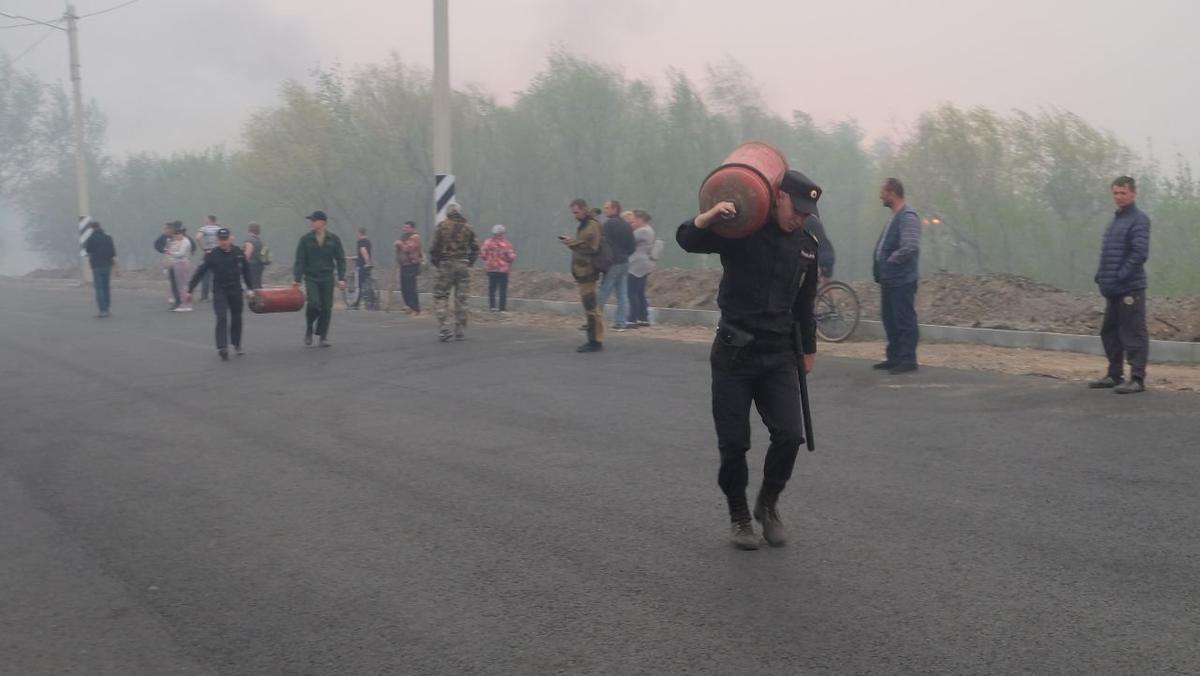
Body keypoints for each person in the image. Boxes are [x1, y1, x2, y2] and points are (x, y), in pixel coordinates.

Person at [677, 169, 822, 550]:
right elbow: (688, 241)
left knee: (790, 436)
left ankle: (768, 503)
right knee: (734, 444)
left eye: (808, 213)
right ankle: (739, 513)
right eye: (797, 208)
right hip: (734, 354)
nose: (801, 217)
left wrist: (809, 349)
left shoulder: (807, 246)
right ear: (777, 197)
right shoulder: (742, 229)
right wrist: (706, 218)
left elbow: (806, 305)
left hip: (779, 356)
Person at [1089, 176, 1152, 395]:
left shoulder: (1139, 219)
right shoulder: (1115, 220)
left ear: (1133, 193)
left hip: (1130, 288)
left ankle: (1136, 378)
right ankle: (1114, 375)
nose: (1118, 197)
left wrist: (1120, 275)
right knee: (1110, 332)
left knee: (1133, 332)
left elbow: (1139, 253)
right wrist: (1101, 275)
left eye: (1122, 193)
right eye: (1115, 193)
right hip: (1112, 288)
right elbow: (1110, 253)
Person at [873, 177, 921, 374]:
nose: (880, 195)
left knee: (904, 320)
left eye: (883, 191)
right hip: (890, 280)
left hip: (902, 280)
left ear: (892, 193)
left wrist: (890, 261)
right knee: (889, 319)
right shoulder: (894, 216)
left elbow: (910, 247)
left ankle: (908, 359)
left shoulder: (908, 216)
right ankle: (894, 357)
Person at [187, 228, 252, 360]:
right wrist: (190, 289)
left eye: (225, 239)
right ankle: (222, 347)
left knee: (236, 317)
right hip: (220, 290)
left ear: (230, 239)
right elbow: (201, 271)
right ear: (218, 240)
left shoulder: (238, 253)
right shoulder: (212, 255)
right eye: (221, 240)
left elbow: (247, 271)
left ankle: (236, 343)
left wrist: (251, 289)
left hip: (235, 289)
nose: (223, 242)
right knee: (221, 317)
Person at [292, 210, 346, 347]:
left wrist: (341, 278)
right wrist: (297, 278)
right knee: (314, 304)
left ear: (322, 222)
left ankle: (323, 336)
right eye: (311, 220)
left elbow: (340, 259)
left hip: (327, 277)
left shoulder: (333, 239)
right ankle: (309, 328)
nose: (311, 222)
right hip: (311, 277)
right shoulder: (305, 239)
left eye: (314, 220)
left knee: (327, 307)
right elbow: (300, 260)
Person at [429, 204, 479, 341]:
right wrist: (470, 262)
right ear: (459, 212)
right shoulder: (468, 227)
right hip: (462, 265)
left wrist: (438, 263)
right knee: (461, 297)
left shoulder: (441, 227)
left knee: (441, 296)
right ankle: (460, 329)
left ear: (447, 213)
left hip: (445, 265)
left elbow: (433, 249)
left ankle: (444, 327)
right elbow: (476, 248)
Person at [561, 198, 605, 353]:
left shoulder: (592, 225)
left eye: (576, 212)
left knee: (590, 307)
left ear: (584, 209)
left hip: (588, 270)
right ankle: (595, 339)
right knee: (590, 307)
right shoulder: (586, 224)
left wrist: (572, 243)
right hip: (583, 270)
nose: (575, 215)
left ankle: (594, 341)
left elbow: (592, 247)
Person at [596, 199, 636, 332]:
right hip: (624, 262)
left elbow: (603, 243)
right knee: (622, 293)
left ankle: (593, 320)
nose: (605, 210)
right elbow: (632, 246)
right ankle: (620, 323)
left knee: (604, 291)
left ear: (614, 209)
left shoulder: (608, 225)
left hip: (612, 263)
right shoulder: (626, 225)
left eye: (607, 208)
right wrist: (625, 254)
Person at [626, 209, 657, 328]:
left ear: (640, 219)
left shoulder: (642, 231)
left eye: (634, 220)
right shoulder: (649, 230)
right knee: (639, 292)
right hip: (644, 264)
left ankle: (632, 319)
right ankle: (643, 318)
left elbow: (628, 240)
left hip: (636, 265)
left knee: (632, 292)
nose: (632, 222)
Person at [83, 220, 117, 317]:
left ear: (92, 228)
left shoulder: (91, 239)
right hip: (107, 265)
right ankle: (107, 308)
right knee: (106, 287)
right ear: (100, 226)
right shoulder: (108, 238)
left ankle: (102, 310)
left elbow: (87, 250)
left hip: (97, 266)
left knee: (99, 288)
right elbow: (113, 252)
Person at [481, 224, 516, 312]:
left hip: (491, 269)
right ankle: (502, 308)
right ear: (502, 233)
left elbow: (483, 255)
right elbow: (510, 257)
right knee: (502, 290)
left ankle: (492, 307)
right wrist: (510, 259)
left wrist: (489, 259)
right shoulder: (506, 244)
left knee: (492, 289)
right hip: (503, 270)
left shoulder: (487, 242)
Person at [393, 221, 423, 314]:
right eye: (404, 227)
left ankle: (415, 308)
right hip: (404, 265)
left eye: (407, 227)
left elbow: (409, 248)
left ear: (413, 228)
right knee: (404, 287)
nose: (405, 229)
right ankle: (408, 305)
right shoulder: (404, 237)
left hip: (412, 265)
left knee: (411, 287)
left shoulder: (415, 237)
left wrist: (400, 244)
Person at [168, 225, 195, 312]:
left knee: (183, 285)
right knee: (182, 285)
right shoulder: (179, 241)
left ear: (181, 234)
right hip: (178, 263)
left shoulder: (185, 241)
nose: (175, 237)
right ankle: (185, 304)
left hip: (182, 263)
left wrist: (171, 253)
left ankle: (185, 305)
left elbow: (181, 253)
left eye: (176, 235)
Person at [154, 222, 181, 307]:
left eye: (166, 229)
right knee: (172, 279)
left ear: (170, 229)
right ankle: (174, 297)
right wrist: (163, 250)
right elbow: (156, 244)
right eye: (164, 229)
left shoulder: (178, 235)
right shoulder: (163, 237)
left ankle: (182, 298)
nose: (164, 230)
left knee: (180, 280)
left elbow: (189, 244)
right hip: (170, 260)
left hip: (180, 260)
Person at [197, 215, 222, 301]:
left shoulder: (204, 228)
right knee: (218, 275)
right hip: (218, 253)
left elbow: (198, 237)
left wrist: (203, 248)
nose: (205, 221)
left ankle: (204, 296)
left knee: (206, 275)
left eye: (206, 220)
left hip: (208, 252)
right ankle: (218, 294)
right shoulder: (219, 229)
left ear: (210, 220)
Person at [803, 214, 836, 280]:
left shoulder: (806, 221)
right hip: (828, 253)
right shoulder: (814, 219)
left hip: (822, 256)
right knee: (824, 284)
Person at [351, 227, 373, 309]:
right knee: (367, 283)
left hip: (361, 265)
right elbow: (362, 254)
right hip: (367, 266)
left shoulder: (360, 242)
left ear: (360, 233)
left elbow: (363, 251)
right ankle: (371, 302)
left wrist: (367, 262)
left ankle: (355, 303)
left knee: (358, 285)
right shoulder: (368, 242)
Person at [242, 222, 267, 290]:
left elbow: (247, 254)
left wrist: (242, 264)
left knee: (250, 285)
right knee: (257, 285)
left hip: (250, 266)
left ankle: (252, 299)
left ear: (249, 230)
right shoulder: (260, 241)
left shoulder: (249, 240)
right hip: (259, 266)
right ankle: (259, 298)